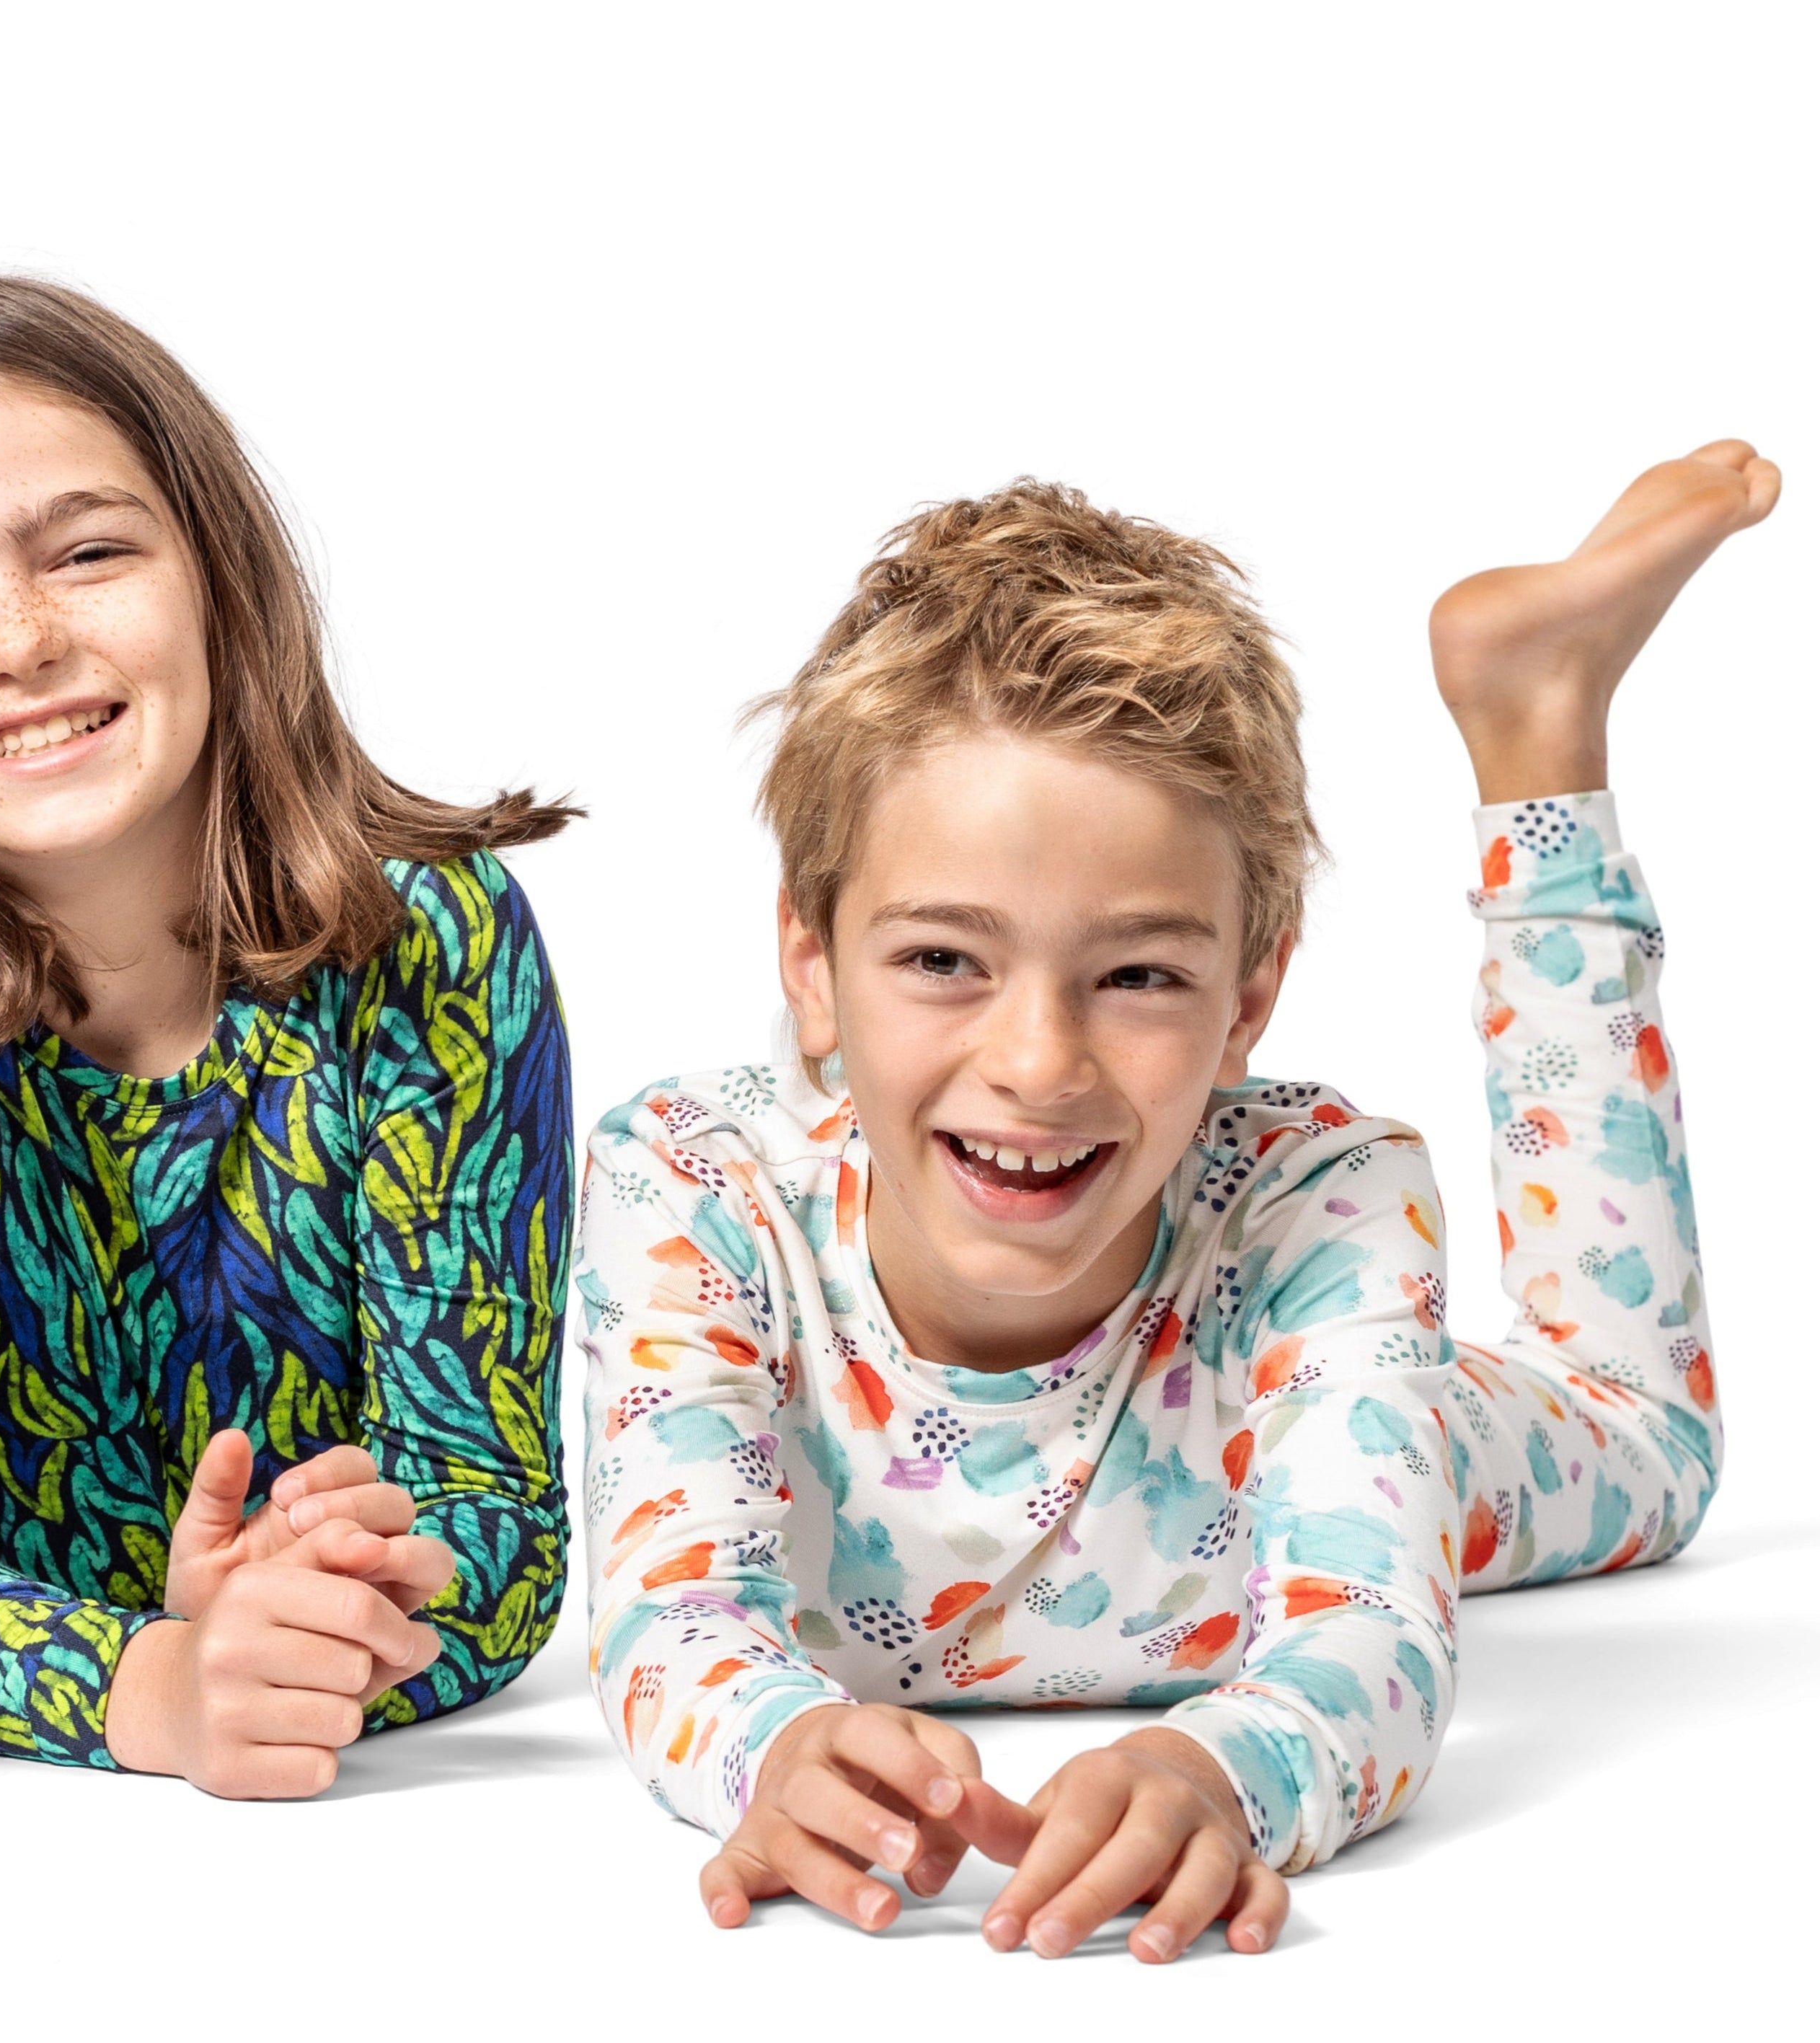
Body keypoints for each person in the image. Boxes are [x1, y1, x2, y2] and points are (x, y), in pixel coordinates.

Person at [577, 447, 1770, 1958]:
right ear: (810, 966)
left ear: (1247, 996)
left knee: (1651, 1441)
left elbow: (1372, 1637)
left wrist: (1224, 1767)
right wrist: (777, 1746)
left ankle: (1537, 727)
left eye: (1138, 974)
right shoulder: (691, 1189)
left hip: (1328, 1414)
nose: (1038, 1063)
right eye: (942, 959)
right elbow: (672, 1614)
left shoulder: (1319, 1208)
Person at [0, 277, 576, 1796]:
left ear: (218, 577)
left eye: (88, 553)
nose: (17, 641)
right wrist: (155, 1685)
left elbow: (490, 1504)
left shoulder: (430, 935)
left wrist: (319, 1612)